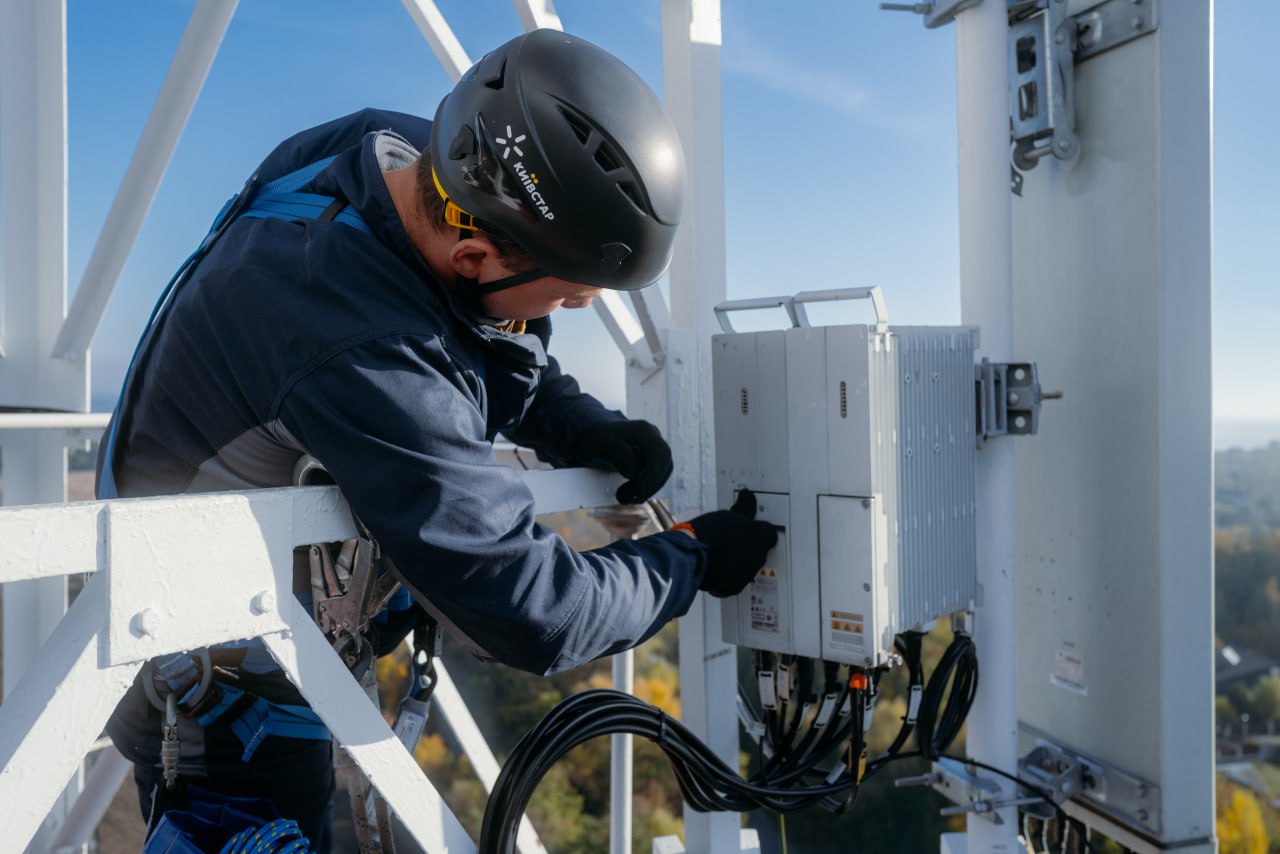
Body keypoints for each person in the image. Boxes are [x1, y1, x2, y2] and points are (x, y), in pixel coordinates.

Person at [97, 28, 777, 850]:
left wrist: (573, 421)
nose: (577, 311)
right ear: (473, 251)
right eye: (566, 299)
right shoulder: (358, 345)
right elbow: (537, 611)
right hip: (225, 704)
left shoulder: (399, 151)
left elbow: (460, 332)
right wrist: (691, 559)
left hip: (262, 618)